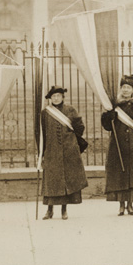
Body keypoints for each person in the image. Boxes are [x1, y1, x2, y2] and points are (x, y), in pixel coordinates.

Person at [100, 74, 133, 216]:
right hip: (118, 144)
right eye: (123, 87)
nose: (126, 90)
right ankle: (121, 205)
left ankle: (130, 205)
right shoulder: (113, 105)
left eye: (128, 88)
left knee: (132, 175)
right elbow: (107, 127)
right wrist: (107, 117)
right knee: (120, 175)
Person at [36, 86, 89, 219]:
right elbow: (40, 133)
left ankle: (64, 210)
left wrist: (72, 139)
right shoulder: (45, 113)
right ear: (50, 99)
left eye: (58, 96)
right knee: (51, 182)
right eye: (53, 96)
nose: (56, 98)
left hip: (68, 150)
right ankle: (49, 210)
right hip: (51, 152)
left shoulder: (70, 110)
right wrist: (41, 152)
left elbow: (80, 126)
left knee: (66, 182)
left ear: (62, 97)